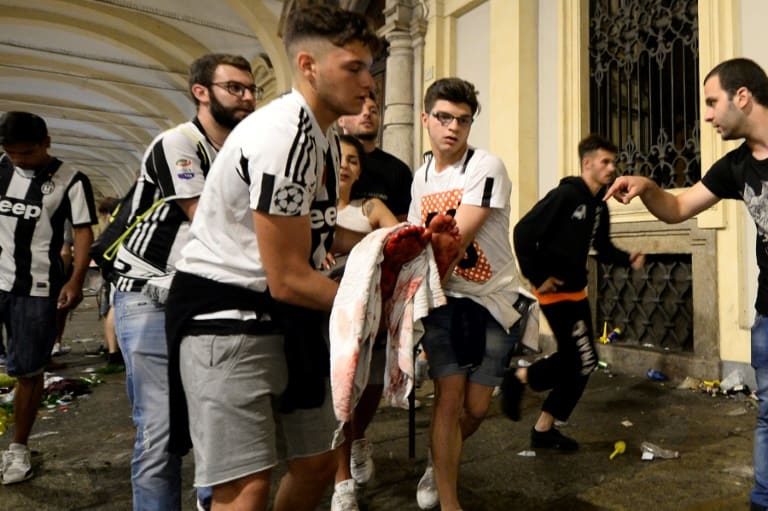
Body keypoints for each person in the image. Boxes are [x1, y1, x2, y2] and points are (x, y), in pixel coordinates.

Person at [163, 6, 380, 511]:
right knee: (244, 489)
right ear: (308, 65)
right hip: (228, 320)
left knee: (317, 464)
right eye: (354, 67)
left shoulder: (322, 134)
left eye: (370, 66)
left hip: (285, 318)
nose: (369, 82)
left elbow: (314, 236)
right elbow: (286, 278)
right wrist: (374, 305)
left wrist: (394, 249)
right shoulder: (284, 136)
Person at [603, 57, 768, 511]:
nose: (708, 115)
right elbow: (677, 209)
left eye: (713, 103)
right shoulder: (735, 167)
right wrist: (648, 186)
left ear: (742, 96)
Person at [111, 53, 257, 511]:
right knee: (159, 432)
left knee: (214, 421)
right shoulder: (179, 143)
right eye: (235, 88)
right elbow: (209, 220)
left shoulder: (239, 151)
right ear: (201, 92)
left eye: (251, 88)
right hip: (149, 293)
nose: (248, 97)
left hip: (201, 294)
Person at [409, 78, 523, 511]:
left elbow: (453, 240)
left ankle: (440, 461)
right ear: (426, 120)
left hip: (493, 299)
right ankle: (449, 497)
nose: (452, 127)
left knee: (474, 409)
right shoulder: (419, 178)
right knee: (448, 398)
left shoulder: (485, 166)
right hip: (445, 298)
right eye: (443, 118)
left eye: (463, 119)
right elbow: (418, 240)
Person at [506, 134, 645, 452]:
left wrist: (628, 258)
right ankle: (522, 382)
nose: (612, 168)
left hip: (576, 292)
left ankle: (542, 424)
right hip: (554, 292)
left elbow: (602, 248)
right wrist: (537, 276)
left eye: (614, 162)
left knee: (582, 362)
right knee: (581, 360)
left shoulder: (599, 207)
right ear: (587, 163)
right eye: (605, 162)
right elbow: (523, 232)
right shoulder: (566, 195)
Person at [0, 111, 97, 484]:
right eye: (12, 154)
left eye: (26, 153)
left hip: (37, 289)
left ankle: (19, 449)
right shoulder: (1, 167)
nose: (18, 160)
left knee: (28, 371)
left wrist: (74, 280)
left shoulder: (71, 180)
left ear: (46, 143)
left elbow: (84, 231)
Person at [329, 134, 399, 510]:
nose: (345, 164)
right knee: (336, 392)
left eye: (353, 160)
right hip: (327, 308)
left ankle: (359, 438)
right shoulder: (312, 205)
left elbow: (397, 239)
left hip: (370, 306)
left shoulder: (370, 205)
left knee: (371, 385)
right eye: (340, 157)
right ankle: (342, 483)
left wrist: (345, 242)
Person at [338, 90, 413, 220]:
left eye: (373, 111)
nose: (367, 114)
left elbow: (402, 226)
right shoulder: (325, 160)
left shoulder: (398, 170)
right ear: (341, 119)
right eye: (359, 109)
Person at [95, 197, 123, 371]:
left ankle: (112, 349)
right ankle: (113, 351)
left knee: (110, 308)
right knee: (113, 307)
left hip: (113, 271)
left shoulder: (112, 226)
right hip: (119, 272)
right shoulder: (124, 221)